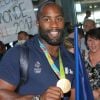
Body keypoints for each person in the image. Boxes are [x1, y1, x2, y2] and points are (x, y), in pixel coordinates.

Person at [0, 1, 75, 100]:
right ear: (38, 22)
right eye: (47, 19)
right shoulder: (18, 54)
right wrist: (37, 98)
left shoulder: (72, 58)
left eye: (59, 19)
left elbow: (75, 95)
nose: (54, 25)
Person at [85, 28, 100, 100]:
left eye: (96, 40)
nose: (93, 43)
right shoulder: (82, 59)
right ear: (86, 42)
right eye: (90, 40)